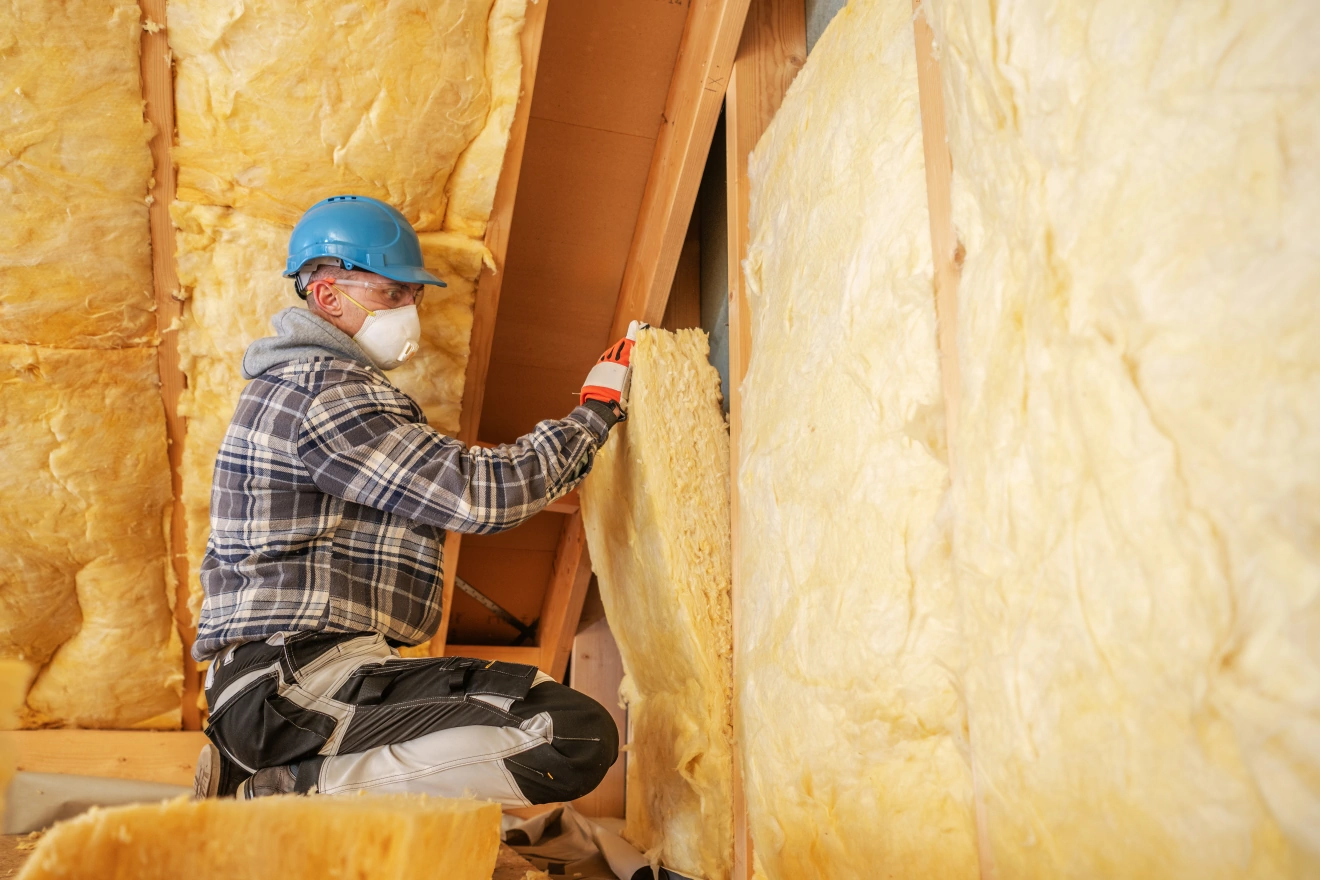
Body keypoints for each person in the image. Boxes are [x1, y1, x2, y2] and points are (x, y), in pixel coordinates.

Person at [191, 195, 636, 804]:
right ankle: (285, 791)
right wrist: (595, 413)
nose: (409, 310)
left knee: (450, 776)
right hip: (295, 685)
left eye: (412, 296)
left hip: (286, 682)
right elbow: (480, 495)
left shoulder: (310, 388)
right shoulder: (324, 392)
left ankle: (289, 789)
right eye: (390, 293)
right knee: (566, 735)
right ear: (327, 297)